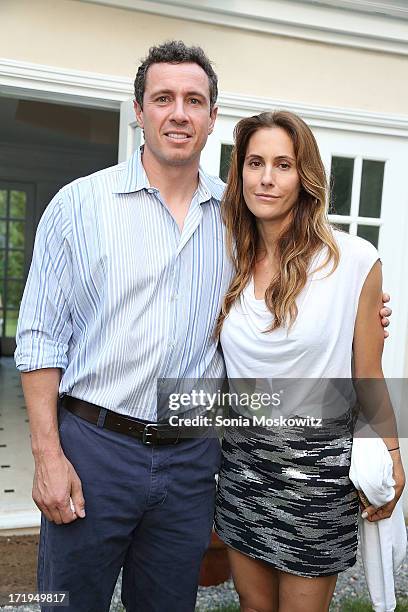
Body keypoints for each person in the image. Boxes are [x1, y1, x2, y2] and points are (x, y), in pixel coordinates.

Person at [15, 41, 391, 612]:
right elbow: (39, 337)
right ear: (139, 110)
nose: (179, 113)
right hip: (95, 449)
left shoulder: (237, 219)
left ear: (213, 118)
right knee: (66, 602)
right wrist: (48, 455)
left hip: (193, 460)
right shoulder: (77, 207)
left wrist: (360, 311)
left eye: (195, 100)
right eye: (163, 98)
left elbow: (299, 290)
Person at [214, 111, 405, 612]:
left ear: (306, 177)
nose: (267, 178)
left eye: (284, 164)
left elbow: (368, 372)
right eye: (255, 163)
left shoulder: (353, 261)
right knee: (253, 607)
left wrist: (392, 453)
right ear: (240, 175)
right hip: (242, 467)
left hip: (315, 474)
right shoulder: (226, 255)